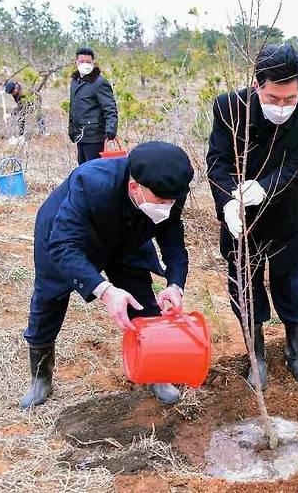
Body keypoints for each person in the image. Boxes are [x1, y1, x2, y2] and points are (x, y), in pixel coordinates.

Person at [22, 142, 194, 409]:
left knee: (143, 303)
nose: (167, 206)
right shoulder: (91, 183)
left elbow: (173, 239)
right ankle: (40, 377)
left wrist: (175, 284)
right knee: (49, 300)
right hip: (65, 237)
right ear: (135, 187)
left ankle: (154, 371)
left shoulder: (168, 190)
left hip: (127, 238)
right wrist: (104, 290)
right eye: (161, 202)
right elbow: (63, 245)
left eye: (171, 201)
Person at [206, 43, 298, 391]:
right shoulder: (230, 107)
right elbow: (217, 161)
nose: (282, 107)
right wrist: (230, 200)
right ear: (257, 85)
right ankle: (256, 358)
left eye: (290, 99)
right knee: (245, 286)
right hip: (239, 220)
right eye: (273, 98)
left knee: (291, 286)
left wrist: (263, 188)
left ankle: (295, 355)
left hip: (285, 215)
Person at [68, 47, 118, 165]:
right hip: (80, 135)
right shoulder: (75, 82)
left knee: (94, 170)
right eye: (81, 61)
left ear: (93, 62)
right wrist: (71, 128)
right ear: (76, 62)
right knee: (83, 170)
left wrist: (111, 128)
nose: (85, 64)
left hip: (95, 136)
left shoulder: (100, 83)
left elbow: (110, 108)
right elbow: (73, 107)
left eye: (88, 62)